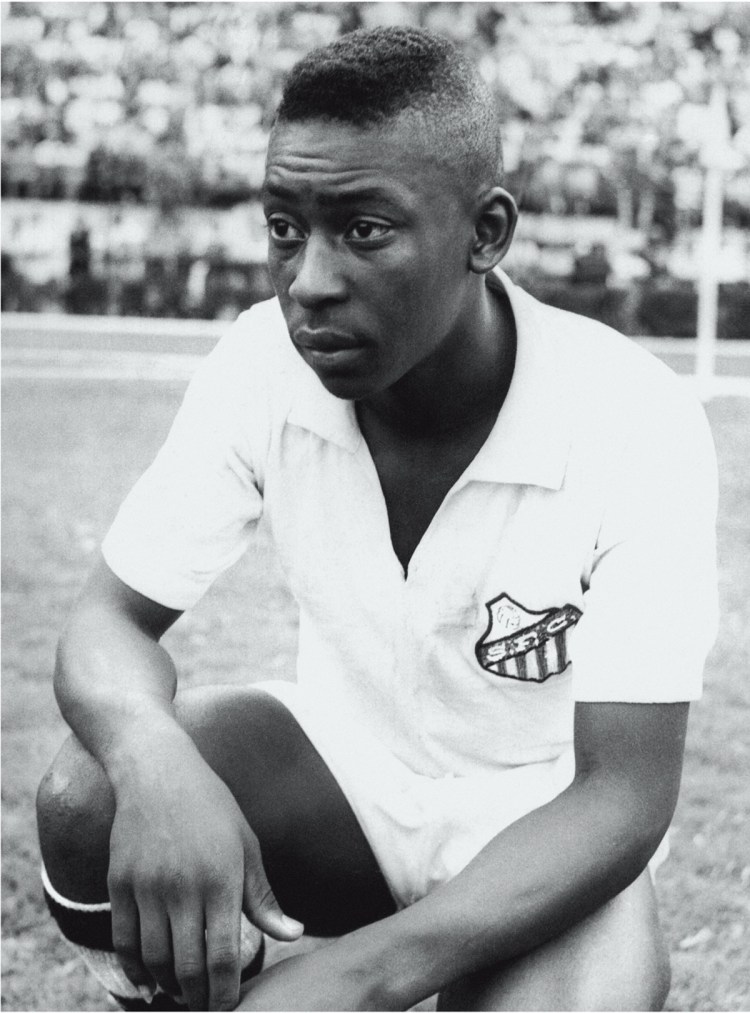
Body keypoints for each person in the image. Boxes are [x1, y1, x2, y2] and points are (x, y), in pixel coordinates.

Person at [37, 26, 718, 1013]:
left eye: (364, 230)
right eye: (285, 227)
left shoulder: (631, 417)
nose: (308, 279)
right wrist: (152, 758)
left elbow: (623, 794)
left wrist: (360, 976)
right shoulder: (262, 363)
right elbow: (108, 621)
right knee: (89, 794)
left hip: (542, 822)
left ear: (486, 232)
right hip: (345, 784)